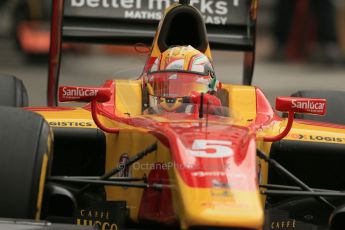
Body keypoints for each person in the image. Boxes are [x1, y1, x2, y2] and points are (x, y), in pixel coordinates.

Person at [143, 45, 223, 115]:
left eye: (188, 86)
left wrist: (212, 108)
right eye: (170, 86)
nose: (173, 94)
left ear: (210, 87)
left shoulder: (209, 108)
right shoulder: (149, 112)